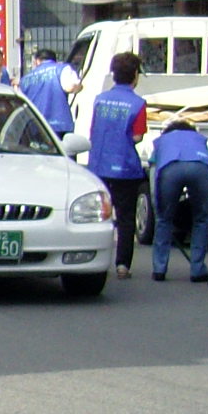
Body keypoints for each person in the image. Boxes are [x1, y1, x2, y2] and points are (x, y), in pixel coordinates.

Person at [85, 50, 149, 279]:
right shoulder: (138, 103)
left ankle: (89, 258)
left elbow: (94, 129)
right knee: (125, 219)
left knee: (95, 215)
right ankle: (122, 265)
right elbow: (137, 137)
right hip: (125, 167)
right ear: (135, 75)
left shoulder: (100, 100)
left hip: (99, 165)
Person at [148, 119, 208, 283]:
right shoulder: (199, 139)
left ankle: (159, 268)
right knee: (201, 219)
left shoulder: (162, 140)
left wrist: (156, 204)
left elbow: (153, 168)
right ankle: (197, 269)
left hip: (170, 168)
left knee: (164, 219)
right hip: (200, 167)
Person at [18, 45, 79, 137]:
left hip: (35, 126)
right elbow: (72, 86)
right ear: (55, 60)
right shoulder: (62, 69)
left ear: (37, 61)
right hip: (60, 125)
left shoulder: (25, 79)